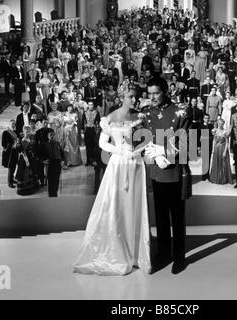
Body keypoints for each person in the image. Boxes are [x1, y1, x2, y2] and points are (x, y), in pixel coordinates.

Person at [73, 87, 151, 276]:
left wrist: (139, 150)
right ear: (121, 98)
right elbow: (103, 143)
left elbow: (148, 139)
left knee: (135, 204)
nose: (134, 99)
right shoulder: (110, 118)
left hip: (137, 164)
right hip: (119, 163)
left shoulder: (140, 116)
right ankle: (118, 250)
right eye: (130, 97)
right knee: (117, 205)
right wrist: (121, 151)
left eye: (136, 96)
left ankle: (136, 253)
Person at [142, 77, 192, 274]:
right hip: (156, 170)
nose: (152, 97)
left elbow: (186, 141)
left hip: (175, 170)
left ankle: (179, 257)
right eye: (150, 93)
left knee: (177, 217)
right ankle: (163, 253)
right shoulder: (146, 113)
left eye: (156, 93)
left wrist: (162, 151)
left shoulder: (181, 110)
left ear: (165, 91)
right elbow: (144, 138)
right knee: (161, 216)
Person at [209, 119, 233, 185]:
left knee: (223, 163)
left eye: (222, 123)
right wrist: (213, 150)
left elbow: (227, 142)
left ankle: (223, 179)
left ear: (224, 124)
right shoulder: (215, 131)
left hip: (223, 148)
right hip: (216, 148)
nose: (221, 124)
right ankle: (216, 178)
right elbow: (214, 141)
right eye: (219, 123)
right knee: (216, 162)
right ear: (217, 123)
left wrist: (225, 151)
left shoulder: (225, 132)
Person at [43, 131, 65, 197]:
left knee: (57, 180)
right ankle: (51, 195)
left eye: (53, 135)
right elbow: (43, 155)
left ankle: (55, 193)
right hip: (50, 164)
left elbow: (62, 153)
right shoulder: (45, 145)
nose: (52, 136)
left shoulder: (58, 144)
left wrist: (63, 160)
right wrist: (44, 161)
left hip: (57, 163)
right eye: (50, 135)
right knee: (50, 181)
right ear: (48, 136)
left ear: (54, 136)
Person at [1, 119, 21, 188]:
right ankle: (10, 182)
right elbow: (3, 144)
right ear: (9, 124)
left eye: (14, 124)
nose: (13, 125)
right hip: (9, 153)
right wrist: (13, 145)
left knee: (14, 166)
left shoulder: (15, 132)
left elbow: (17, 140)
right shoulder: (5, 132)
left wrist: (18, 143)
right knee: (11, 167)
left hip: (15, 152)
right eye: (12, 124)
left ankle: (12, 179)